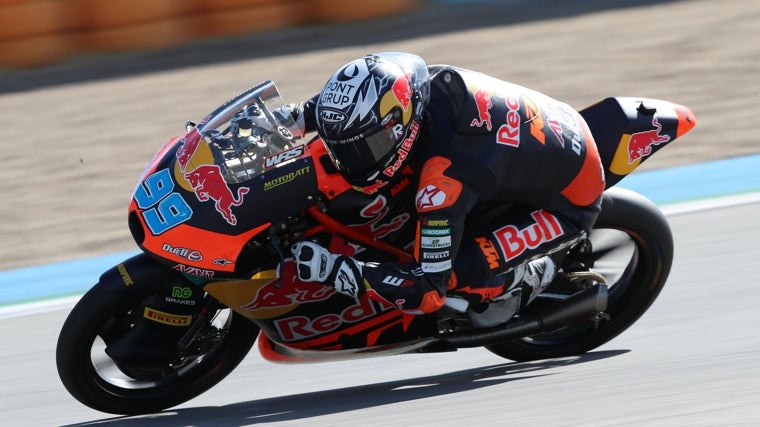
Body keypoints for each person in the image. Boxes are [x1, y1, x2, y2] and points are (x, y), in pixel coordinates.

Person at [288, 52, 605, 323]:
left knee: (452, 275)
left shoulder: (443, 181)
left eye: (363, 149)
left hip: (567, 200)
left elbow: (426, 292)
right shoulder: (412, 85)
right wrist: (291, 119)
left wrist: (337, 271)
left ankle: (531, 275)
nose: (347, 163)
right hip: (545, 133)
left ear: (399, 126)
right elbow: (353, 105)